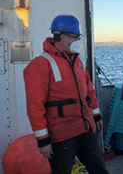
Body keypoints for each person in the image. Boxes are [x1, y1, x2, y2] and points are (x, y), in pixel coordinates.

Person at [23, 14, 109, 174]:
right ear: (62, 37)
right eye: (74, 37)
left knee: (99, 168)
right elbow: (35, 107)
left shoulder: (79, 61)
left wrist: (96, 116)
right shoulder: (41, 65)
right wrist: (43, 141)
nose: (78, 41)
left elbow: (89, 91)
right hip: (61, 136)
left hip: (85, 129)